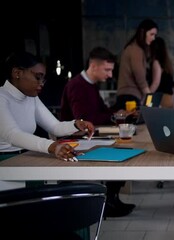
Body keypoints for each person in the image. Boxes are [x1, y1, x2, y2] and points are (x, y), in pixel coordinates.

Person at [59, 46, 136, 218]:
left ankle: (111, 199)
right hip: (75, 140)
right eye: (107, 70)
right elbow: (86, 119)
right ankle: (108, 202)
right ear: (93, 66)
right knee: (122, 150)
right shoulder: (77, 86)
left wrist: (119, 114)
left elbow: (101, 112)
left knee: (125, 148)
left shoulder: (90, 85)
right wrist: (115, 115)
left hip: (90, 136)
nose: (110, 75)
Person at [0, 51, 95, 162]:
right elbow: (12, 135)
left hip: (25, 156)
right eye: (37, 77)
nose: (42, 83)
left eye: (43, 79)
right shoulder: (2, 97)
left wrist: (76, 124)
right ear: (17, 73)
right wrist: (52, 146)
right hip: (5, 161)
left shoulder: (31, 97)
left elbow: (55, 127)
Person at [114, 18, 158, 110]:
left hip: (127, 96)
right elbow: (140, 76)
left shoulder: (133, 48)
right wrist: (149, 98)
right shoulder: (136, 50)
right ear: (143, 32)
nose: (153, 38)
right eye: (151, 34)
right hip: (130, 97)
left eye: (155, 35)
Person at [149, 36, 174, 108]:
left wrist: (146, 98)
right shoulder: (167, 64)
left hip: (160, 98)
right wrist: (173, 105)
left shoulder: (156, 63)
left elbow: (155, 83)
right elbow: (172, 87)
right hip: (169, 98)